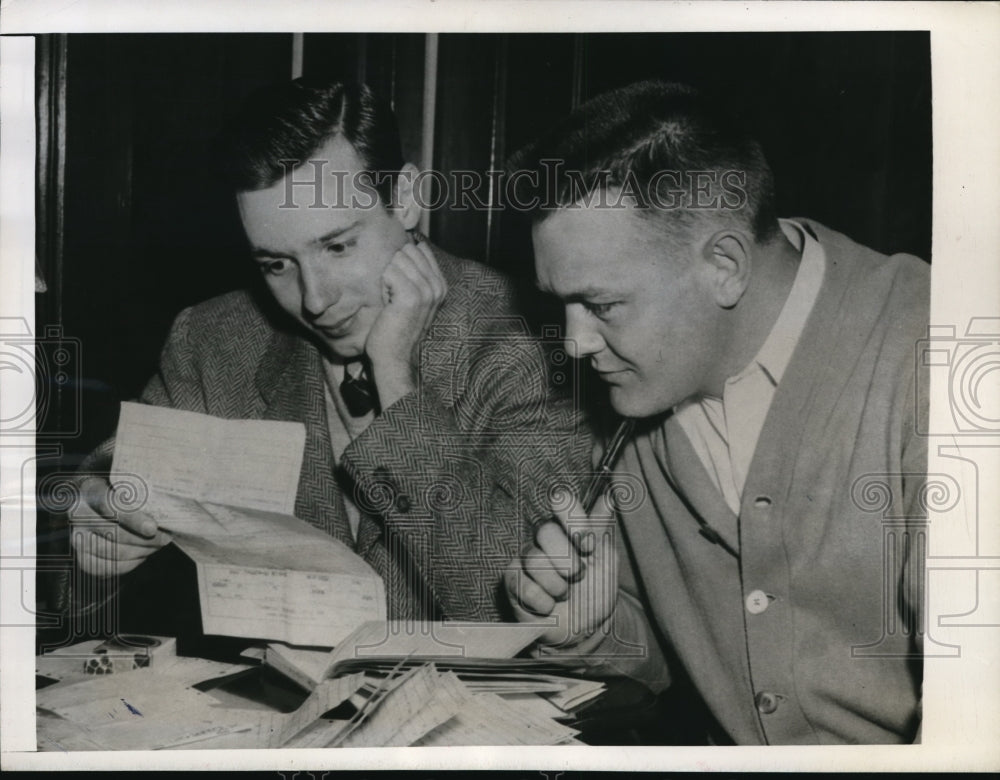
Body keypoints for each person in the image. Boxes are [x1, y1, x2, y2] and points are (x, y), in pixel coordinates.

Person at [68, 79, 589, 623]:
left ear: (406, 200)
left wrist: (396, 382)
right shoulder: (214, 340)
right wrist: (101, 526)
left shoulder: (531, 343)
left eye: (338, 245)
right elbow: (89, 567)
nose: (315, 299)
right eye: (276, 264)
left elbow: (516, 606)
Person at [504, 80, 929, 744]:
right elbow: (664, 662)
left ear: (724, 264)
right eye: (561, 303)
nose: (575, 342)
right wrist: (589, 627)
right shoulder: (637, 396)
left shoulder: (937, 355)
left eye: (603, 305)